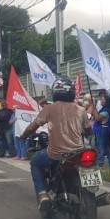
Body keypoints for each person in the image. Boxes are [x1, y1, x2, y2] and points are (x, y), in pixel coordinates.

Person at [21, 76, 93, 209]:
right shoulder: (81, 110)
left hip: (56, 154)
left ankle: (43, 195)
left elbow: (32, 127)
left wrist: (24, 135)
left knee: (35, 161)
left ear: (55, 92)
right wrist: (85, 132)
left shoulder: (49, 108)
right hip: (77, 152)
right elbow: (88, 129)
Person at [89, 93, 110, 167]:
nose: (100, 101)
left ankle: (100, 163)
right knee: (106, 146)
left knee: (101, 146)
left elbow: (98, 118)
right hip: (104, 129)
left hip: (103, 129)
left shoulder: (106, 110)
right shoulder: (104, 109)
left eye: (102, 100)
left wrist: (95, 108)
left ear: (106, 101)